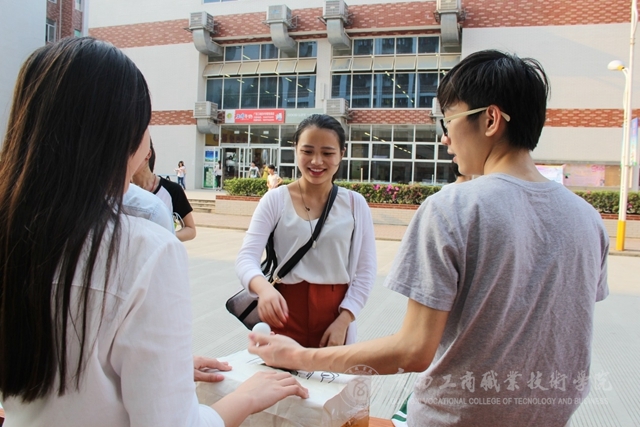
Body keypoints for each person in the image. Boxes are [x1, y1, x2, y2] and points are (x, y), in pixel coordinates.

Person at [248, 51, 609, 427]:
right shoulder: (588, 219)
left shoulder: (453, 207)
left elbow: (413, 350)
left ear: (490, 120)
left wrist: (298, 356)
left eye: (448, 120)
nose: (445, 137)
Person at [0, 37, 307, 427]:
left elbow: (68, 371)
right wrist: (247, 397)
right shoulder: (145, 249)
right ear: (121, 134)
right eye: (147, 123)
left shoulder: (13, 228)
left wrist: (162, 369)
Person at [236, 114, 377, 347]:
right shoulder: (275, 200)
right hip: (283, 315)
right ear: (295, 149)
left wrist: (344, 320)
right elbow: (245, 258)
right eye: (308, 151)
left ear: (342, 153)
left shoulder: (355, 204)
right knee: (280, 371)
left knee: (331, 371)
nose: (317, 161)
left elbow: (366, 270)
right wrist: (264, 289)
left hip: (334, 319)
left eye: (328, 153)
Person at [132, 142, 197, 242]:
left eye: (131, 151)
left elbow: (190, 230)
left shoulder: (172, 190)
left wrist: (166, 236)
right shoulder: (119, 191)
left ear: (148, 154)